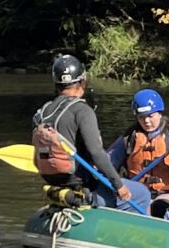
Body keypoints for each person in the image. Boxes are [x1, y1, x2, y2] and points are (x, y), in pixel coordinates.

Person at [29, 52, 130, 207]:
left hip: (52, 180)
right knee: (142, 192)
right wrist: (119, 185)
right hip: (80, 182)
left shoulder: (42, 111)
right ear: (83, 80)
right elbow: (96, 152)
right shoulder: (82, 110)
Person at [108, 88, 169, 216]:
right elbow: (109, 161)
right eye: (141, 117)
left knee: (159, 209)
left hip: (167, 194)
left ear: (160, 114)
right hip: (138, 193)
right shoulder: (129, 138)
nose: (147, 121)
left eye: (151, 116)